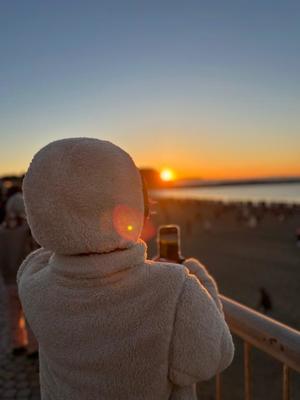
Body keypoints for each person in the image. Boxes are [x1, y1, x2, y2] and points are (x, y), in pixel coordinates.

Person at [17, 138, 234, 400]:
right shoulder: (175, 288)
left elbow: (47, 253)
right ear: (134, 211)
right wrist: (196, 276)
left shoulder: (32, 283)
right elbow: (211, 357)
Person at [0, 192, 38, 356]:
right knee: (30, 315)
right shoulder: (28, 229)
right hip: (25, 278)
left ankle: (17, 344)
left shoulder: (2, 230)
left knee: (12, 314)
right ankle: (33, 347)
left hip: (7, 279)